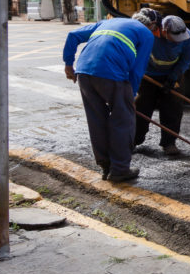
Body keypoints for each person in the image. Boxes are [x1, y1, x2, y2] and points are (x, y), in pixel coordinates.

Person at [62, 10, 157, 183]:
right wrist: (132, 97)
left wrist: (68, 63)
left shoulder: (107, 22)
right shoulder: (146, 34)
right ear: (150, 25)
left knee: (96, 119)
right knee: (123, 120)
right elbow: (137, 70)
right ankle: (119, 169)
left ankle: (106, 166)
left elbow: (73, 35)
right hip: (111, 72)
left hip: (84, 71)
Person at [134, 15, 190, 156]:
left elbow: (185, 61)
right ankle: (133, 140)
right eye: (174, 37)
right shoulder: (150, 36)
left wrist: (173, 78)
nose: (178, 41)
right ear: (164, 31)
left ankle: (169, 143)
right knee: (142, 107)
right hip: (148, 75)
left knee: (173, 108)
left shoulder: (189, 38)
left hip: (172, 74)